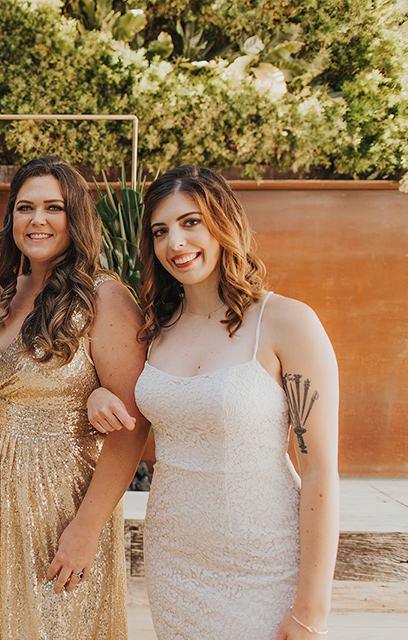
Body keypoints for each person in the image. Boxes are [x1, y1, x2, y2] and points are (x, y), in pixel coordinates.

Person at [89, 164, 340, 639]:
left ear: (225, 223)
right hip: (174, 559)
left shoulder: (287, 321)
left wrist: (312, 608)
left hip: (265, 561)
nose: (175, 244)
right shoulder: (154, 329)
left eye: (191, 222)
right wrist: (96, 394)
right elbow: (114, 389)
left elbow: (321, 471)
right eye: (160, 231)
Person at [0, 156, 149, 639]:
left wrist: (86, 529)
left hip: (62, 506)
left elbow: (134, 427)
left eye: (54, 207)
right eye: (25, 207)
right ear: (11, 220)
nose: (38, 220)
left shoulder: (104, 296)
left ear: (77, 218)